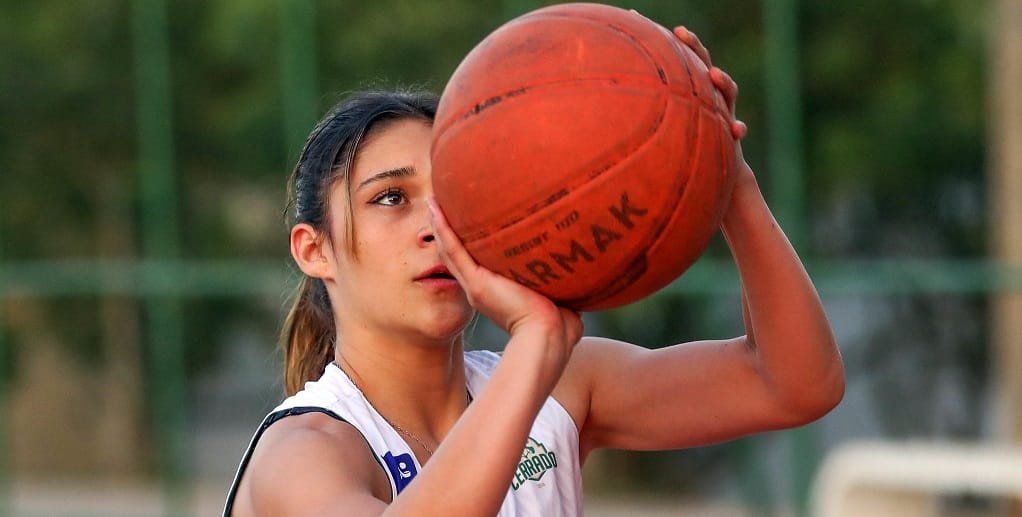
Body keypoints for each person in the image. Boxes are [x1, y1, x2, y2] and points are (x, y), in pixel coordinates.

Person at [223, 25, 845, 516]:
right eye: (391, 198)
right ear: (314, 250)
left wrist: (725, 174)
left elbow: (795, 385)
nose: (435, 224)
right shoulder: (305, 451)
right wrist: (537, 342)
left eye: (453, 195)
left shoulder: (562, 388)